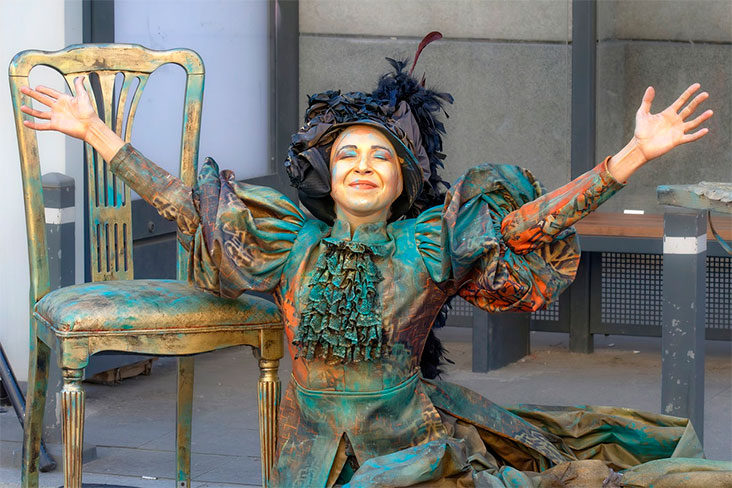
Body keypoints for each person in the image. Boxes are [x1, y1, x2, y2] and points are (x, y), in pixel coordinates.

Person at [20, 38, 730, 487]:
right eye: (347, 155)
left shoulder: (428, 245)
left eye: (380, 156)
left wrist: (630, 157)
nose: (362, 165)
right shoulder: (289, 242)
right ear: (328, 177)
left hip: (410, 452)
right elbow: (184, 204)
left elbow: (523, 226)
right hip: (307, 460)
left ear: (402, 181)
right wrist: (99, 134)